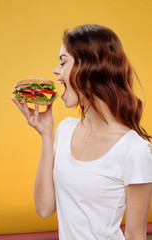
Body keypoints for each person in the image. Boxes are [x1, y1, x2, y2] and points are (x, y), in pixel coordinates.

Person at [11, 24, 152, 240]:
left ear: (90, 67)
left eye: (63, 61)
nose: (55, 71)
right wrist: (46, 136)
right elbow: (44, 209)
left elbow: (135, 234)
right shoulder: (65, 129)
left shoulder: (134, 149)